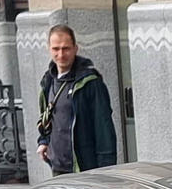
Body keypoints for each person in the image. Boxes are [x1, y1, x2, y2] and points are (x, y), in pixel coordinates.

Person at [36, 23, 118, 174]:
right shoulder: (48, 80)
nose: (61, 54)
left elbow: (104, 127)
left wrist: (106, 169)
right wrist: (43, 141)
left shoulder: (90, 82)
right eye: (56, 49)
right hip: (57, 168)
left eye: (66, 48)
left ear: (75, 48)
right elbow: (47, 118)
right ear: (49, 49)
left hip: (84, 169)